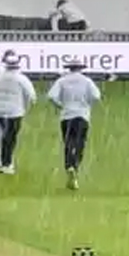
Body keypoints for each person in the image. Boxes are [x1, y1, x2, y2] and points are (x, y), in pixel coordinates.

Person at [47, 57, 102, 190]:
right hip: (82, 115)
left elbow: (51, 96)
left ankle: (69, 166)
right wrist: (87, 104)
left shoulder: (62, 81)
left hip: (66, 116)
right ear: (80, 68)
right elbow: (96, 96)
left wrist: (61, 105)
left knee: (68, 142)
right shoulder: (86, 81)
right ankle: (75, 165)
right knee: (79, 143)